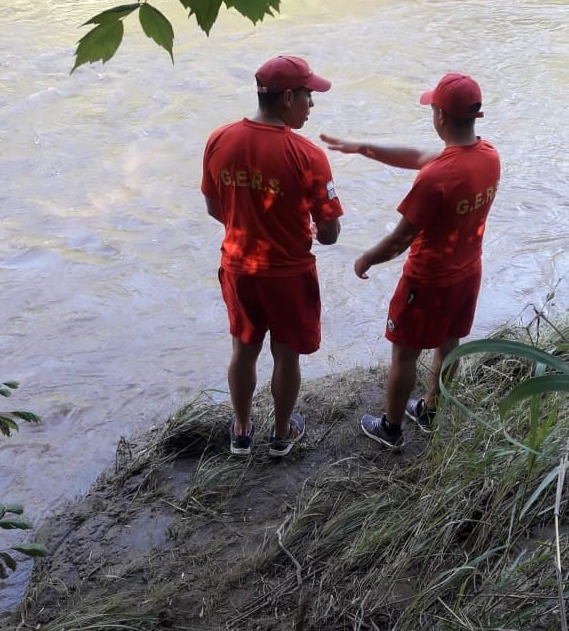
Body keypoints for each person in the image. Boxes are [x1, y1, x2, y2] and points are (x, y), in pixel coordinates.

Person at [321, 72, 500, 450]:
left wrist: (366, 259)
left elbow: (402, 238)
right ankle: (432, 411)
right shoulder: (488, 156)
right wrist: (361, 146)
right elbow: (418, 156)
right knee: (449, 343)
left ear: (440, 116)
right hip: (467, 274)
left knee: (404, 353)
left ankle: (390, 427)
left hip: (427, 281)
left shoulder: (436, 177)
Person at [201, 55, 343, 458]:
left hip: (238, 268)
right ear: (286, 99)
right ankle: (281, 434)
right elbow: (330, 234)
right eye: (308, 96)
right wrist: (312, 230)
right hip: (288, 273)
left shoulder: (219, 140)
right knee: (286, 353)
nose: (311, 106)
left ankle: (242, 431)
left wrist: (250, 224)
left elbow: (215, 208)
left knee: (243, 350)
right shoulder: (308, 155)